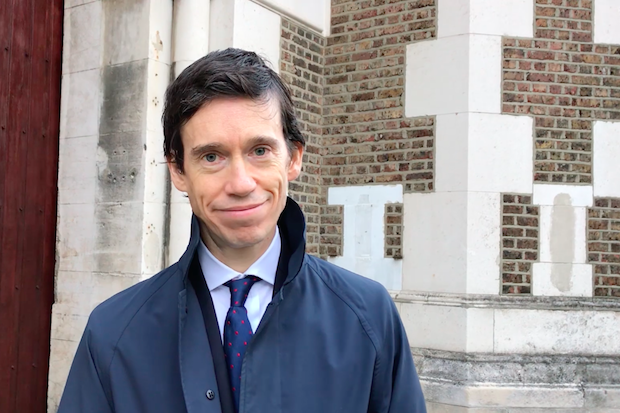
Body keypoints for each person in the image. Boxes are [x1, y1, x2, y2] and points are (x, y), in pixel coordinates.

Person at [57, 48, 427, 413]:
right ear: (178, 171)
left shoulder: (368, 317)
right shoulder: (112, 335)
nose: (240, 183)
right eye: (211, 156)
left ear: (293, 158)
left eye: (260, 150)